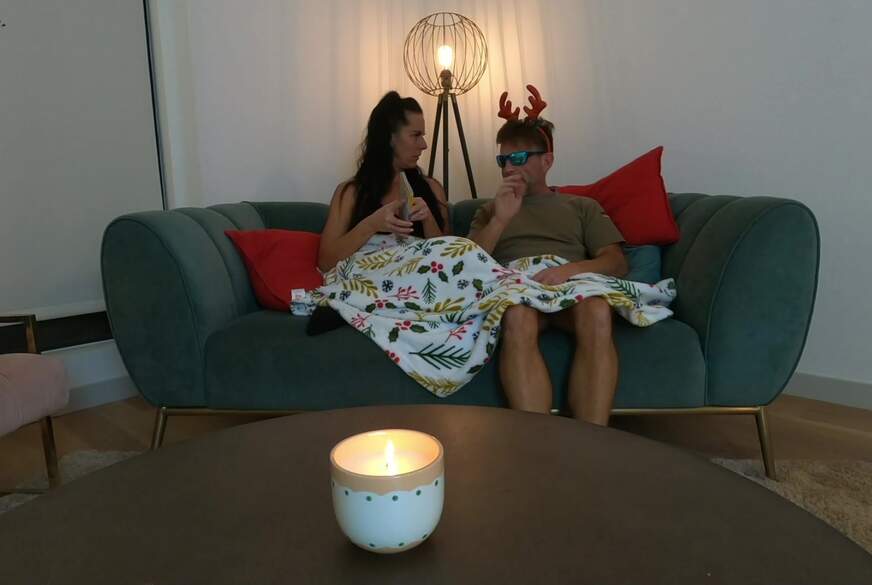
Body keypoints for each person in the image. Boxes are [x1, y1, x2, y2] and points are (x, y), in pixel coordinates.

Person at [467, 85, 628, 426]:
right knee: (517, 316)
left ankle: (592, 438)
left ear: (547, 160)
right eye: (503, 160)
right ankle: (539, 442)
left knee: (597, 310)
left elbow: (615, 262)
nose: (509, 168)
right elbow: (467, 266)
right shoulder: (489, 211)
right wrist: (500, 219)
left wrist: (569, 271)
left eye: (519, 158)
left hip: (569, 284)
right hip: (516, 287)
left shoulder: (581, 206)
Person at [318, 91, 450, 272]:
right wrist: (372, 225)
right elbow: (325, 262)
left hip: (420, 283)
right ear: (389, 137)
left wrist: (428, 220)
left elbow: (450, 263)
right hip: (370, 283)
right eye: (415, 135)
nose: (424, 145)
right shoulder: (350, 193)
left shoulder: (432, 189)